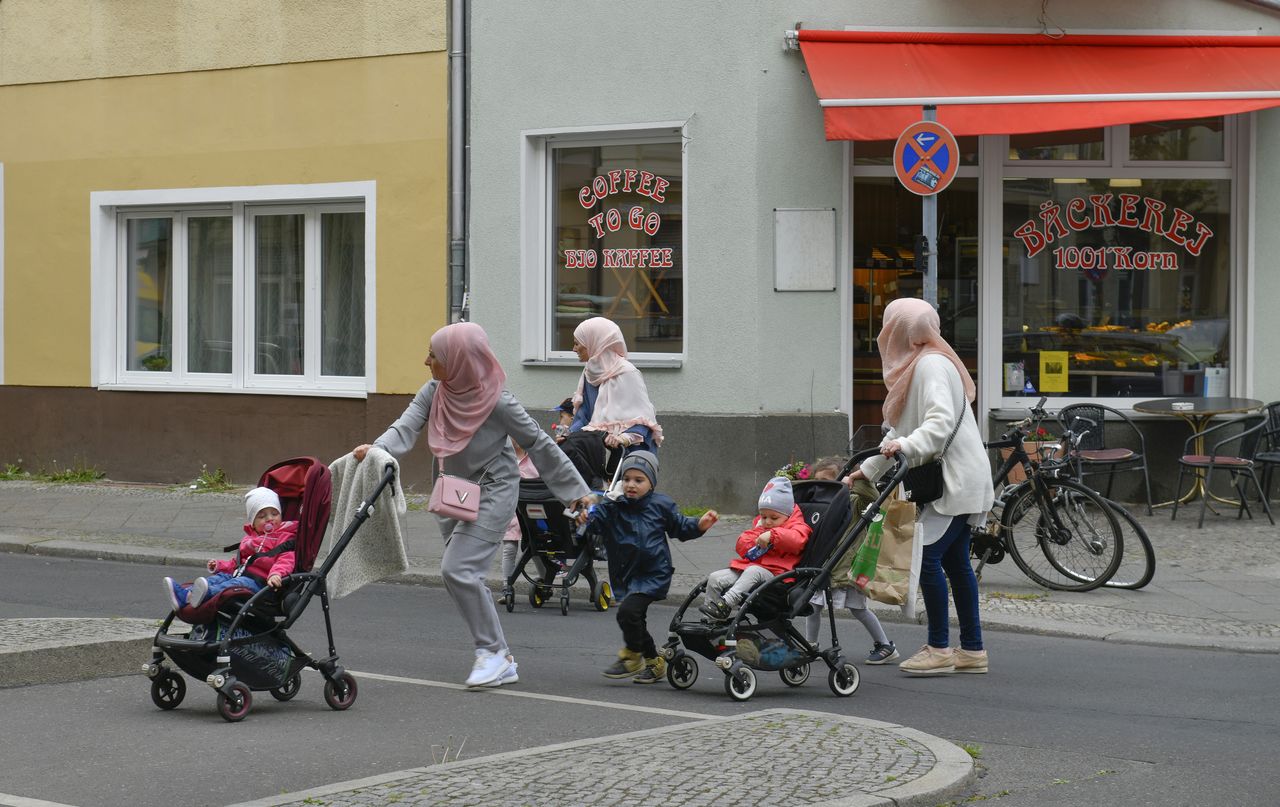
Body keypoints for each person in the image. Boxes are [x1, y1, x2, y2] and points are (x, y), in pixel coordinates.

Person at [352, 322, 592, 688]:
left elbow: (540, 443)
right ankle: (501, 656)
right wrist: (378, 449)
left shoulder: (497, 400)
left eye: (434, 355)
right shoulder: (435, 391)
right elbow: (405, 427)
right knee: (465, 574)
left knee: (457, 570)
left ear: (459, 360)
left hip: (494, 490)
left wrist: (576, 492)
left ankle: (491, 653)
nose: (426, 361)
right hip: (452, 490)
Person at [843, 297, 994, 675]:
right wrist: (870, 469)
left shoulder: (929, 366)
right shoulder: (926, 363)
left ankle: (940, 648)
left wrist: (905, 447)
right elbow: (904, 429)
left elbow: (937, 423)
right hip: (962, 479)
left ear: (898, 332)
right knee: (957, 562)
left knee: (927, 559)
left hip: (955, 483)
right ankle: (972, 650)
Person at [581, 450, 718, 684]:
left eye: (639, 480)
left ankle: (632, 656)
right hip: (626, 572)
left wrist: (700, 525)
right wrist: (586, 516)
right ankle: (655, 663)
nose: (631, 485)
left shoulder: (661, 505)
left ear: (651, 483)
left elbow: (680, 526)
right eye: (626, 479)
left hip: (654, 572)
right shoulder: (614, 506)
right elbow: (596, 525)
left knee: (628, 614)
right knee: (636, 619)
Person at [557, 317, 663, 488]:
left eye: (577, 343)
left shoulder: (627, 372)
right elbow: (584, 416)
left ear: (594, 343)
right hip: (599, 447)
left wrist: (623, 438)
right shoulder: (589, 373)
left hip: (630, 450)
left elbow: (644, 417)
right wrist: (567, 435)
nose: (573, 349)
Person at [803, 477, 898, 664]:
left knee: (858, 609)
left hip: (847, 568)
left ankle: (885, 644)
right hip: (824, 568)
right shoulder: (821, 507)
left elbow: (871, 496)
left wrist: (858, 478)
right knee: (812, 607)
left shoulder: (855, 503)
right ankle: (810, 644)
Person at [164, 487, 296, 610]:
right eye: (262, 516)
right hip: (240, 574)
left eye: (274, 514)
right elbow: (238, 563)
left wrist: (276, 574)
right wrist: (220, 565)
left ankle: (202, 594)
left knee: (232, 585)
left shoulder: (284, 538)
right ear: (253, 523)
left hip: (261, 584)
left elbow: (286, 560)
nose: (270, 519)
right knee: (220, 577)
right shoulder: (250, 539)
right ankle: (186, 593)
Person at [699, 476, 811, 622]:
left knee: (753, 571)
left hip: (777, 574)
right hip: (750, 568)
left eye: (774, 518)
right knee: (715, 578)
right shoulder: (761, 525)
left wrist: (772, 535)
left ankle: (726, 603)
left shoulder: (798, 527)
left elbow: (796, 541)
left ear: (788, 515)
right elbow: (742, 544)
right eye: (763, 516)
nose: (768, 521)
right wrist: (756, 537)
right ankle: (711, 619)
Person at [497, 439, 540, 606]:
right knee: (509, 548)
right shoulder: (502, 457)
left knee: (537, 549)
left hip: (532, 511)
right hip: (511, 512)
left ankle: (544, 582)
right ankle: (506, 587)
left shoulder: (535, 457)